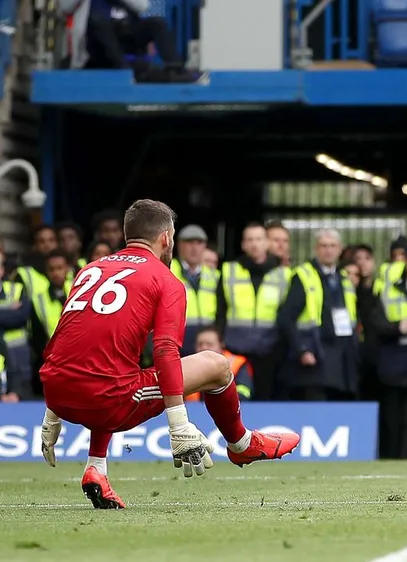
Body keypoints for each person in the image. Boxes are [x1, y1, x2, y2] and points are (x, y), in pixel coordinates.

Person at [36, 200, 299, 510]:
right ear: (166, 238)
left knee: (115, 365)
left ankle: (97, 468)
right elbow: (164, 351)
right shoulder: (165, 279)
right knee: (216, 365)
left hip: (56, 392)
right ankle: (241, 444)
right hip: (106, 401)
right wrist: (179, 425)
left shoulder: (90, 270)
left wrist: (52, 412)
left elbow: (66, 338)